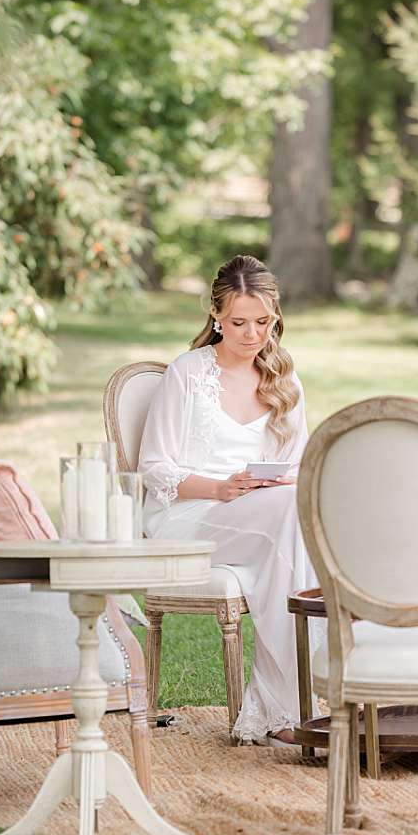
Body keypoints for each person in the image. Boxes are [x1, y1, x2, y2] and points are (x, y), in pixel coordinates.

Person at [138, 254, 315, 746]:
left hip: (266, 511)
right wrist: (219, 488)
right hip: (192, 514)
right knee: (293, 521)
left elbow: (301, 464)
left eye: (263, 322)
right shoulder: (188, 374)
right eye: (239, 322)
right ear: (216, 315)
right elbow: (156, 467)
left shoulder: (284, 380)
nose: (252, 334)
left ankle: (295, 702)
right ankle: (297, 705)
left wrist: (272, 483)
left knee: (303, 511)